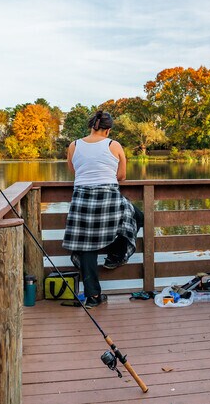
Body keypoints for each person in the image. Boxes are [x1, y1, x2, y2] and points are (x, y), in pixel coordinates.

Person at [62, 110, 138, 307]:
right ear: (108, 130)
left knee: (86, 244)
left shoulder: (74, 145)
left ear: (91, 126)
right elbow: (121, 176)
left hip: (81, 199)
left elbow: (74, 170)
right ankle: (116, 253)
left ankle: (93, 296)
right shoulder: (114, 145)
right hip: (108, 198)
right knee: (137, 216)